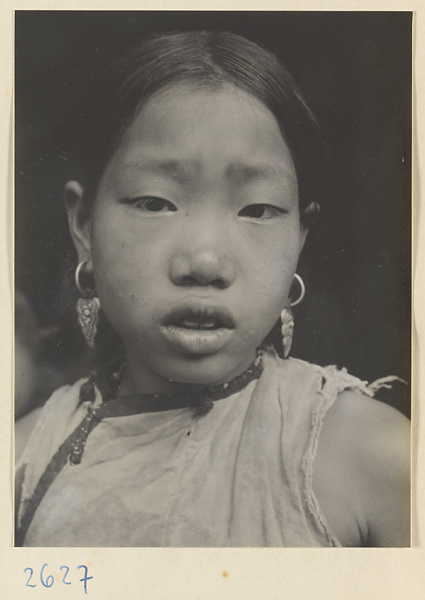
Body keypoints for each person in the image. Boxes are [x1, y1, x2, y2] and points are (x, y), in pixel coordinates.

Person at [15, 30, 410, 548]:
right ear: (84, 224)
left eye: (257, 209)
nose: (204, 262)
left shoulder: (378, 458)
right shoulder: (20, 465)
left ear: (299, 238)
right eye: (155, 202)